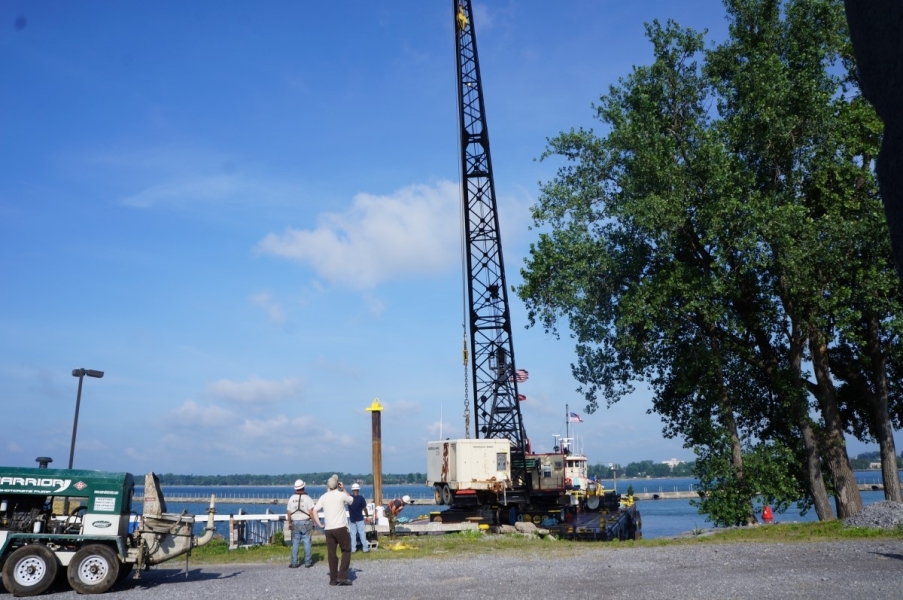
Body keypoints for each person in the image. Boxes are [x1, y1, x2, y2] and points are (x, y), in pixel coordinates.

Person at [312, 474, 354, 586]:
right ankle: (342, 576)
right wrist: (344, 489)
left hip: (329, 528)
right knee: (346, 550)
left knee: (331, 553)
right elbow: (351, 500)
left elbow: (314, 510)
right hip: (340, 527)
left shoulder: (324, 497)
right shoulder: (341, 495)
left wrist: (319, 523)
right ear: (337, 484)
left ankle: (333, 579)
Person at [285, 479, 315, 568]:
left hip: (295, 522)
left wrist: (289, 523)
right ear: (303, 487)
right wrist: (314, 521)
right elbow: (311, 512)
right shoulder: (308, 498)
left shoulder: (291, 498)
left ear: (296, 489)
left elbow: (289, 512)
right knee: (307, 542)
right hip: (306, 522)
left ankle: (294, 563)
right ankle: (308, 563)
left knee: (295, 543)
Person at [348, 483, 370, 553]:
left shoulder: (349, 498)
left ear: (352, 490)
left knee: (353, 534)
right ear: (358, 490)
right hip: (360, 519)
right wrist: (367, 516)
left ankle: (353, 549)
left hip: (352, 519)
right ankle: (365, 548)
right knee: (362, 534)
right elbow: (365, 509)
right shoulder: (361, 498)